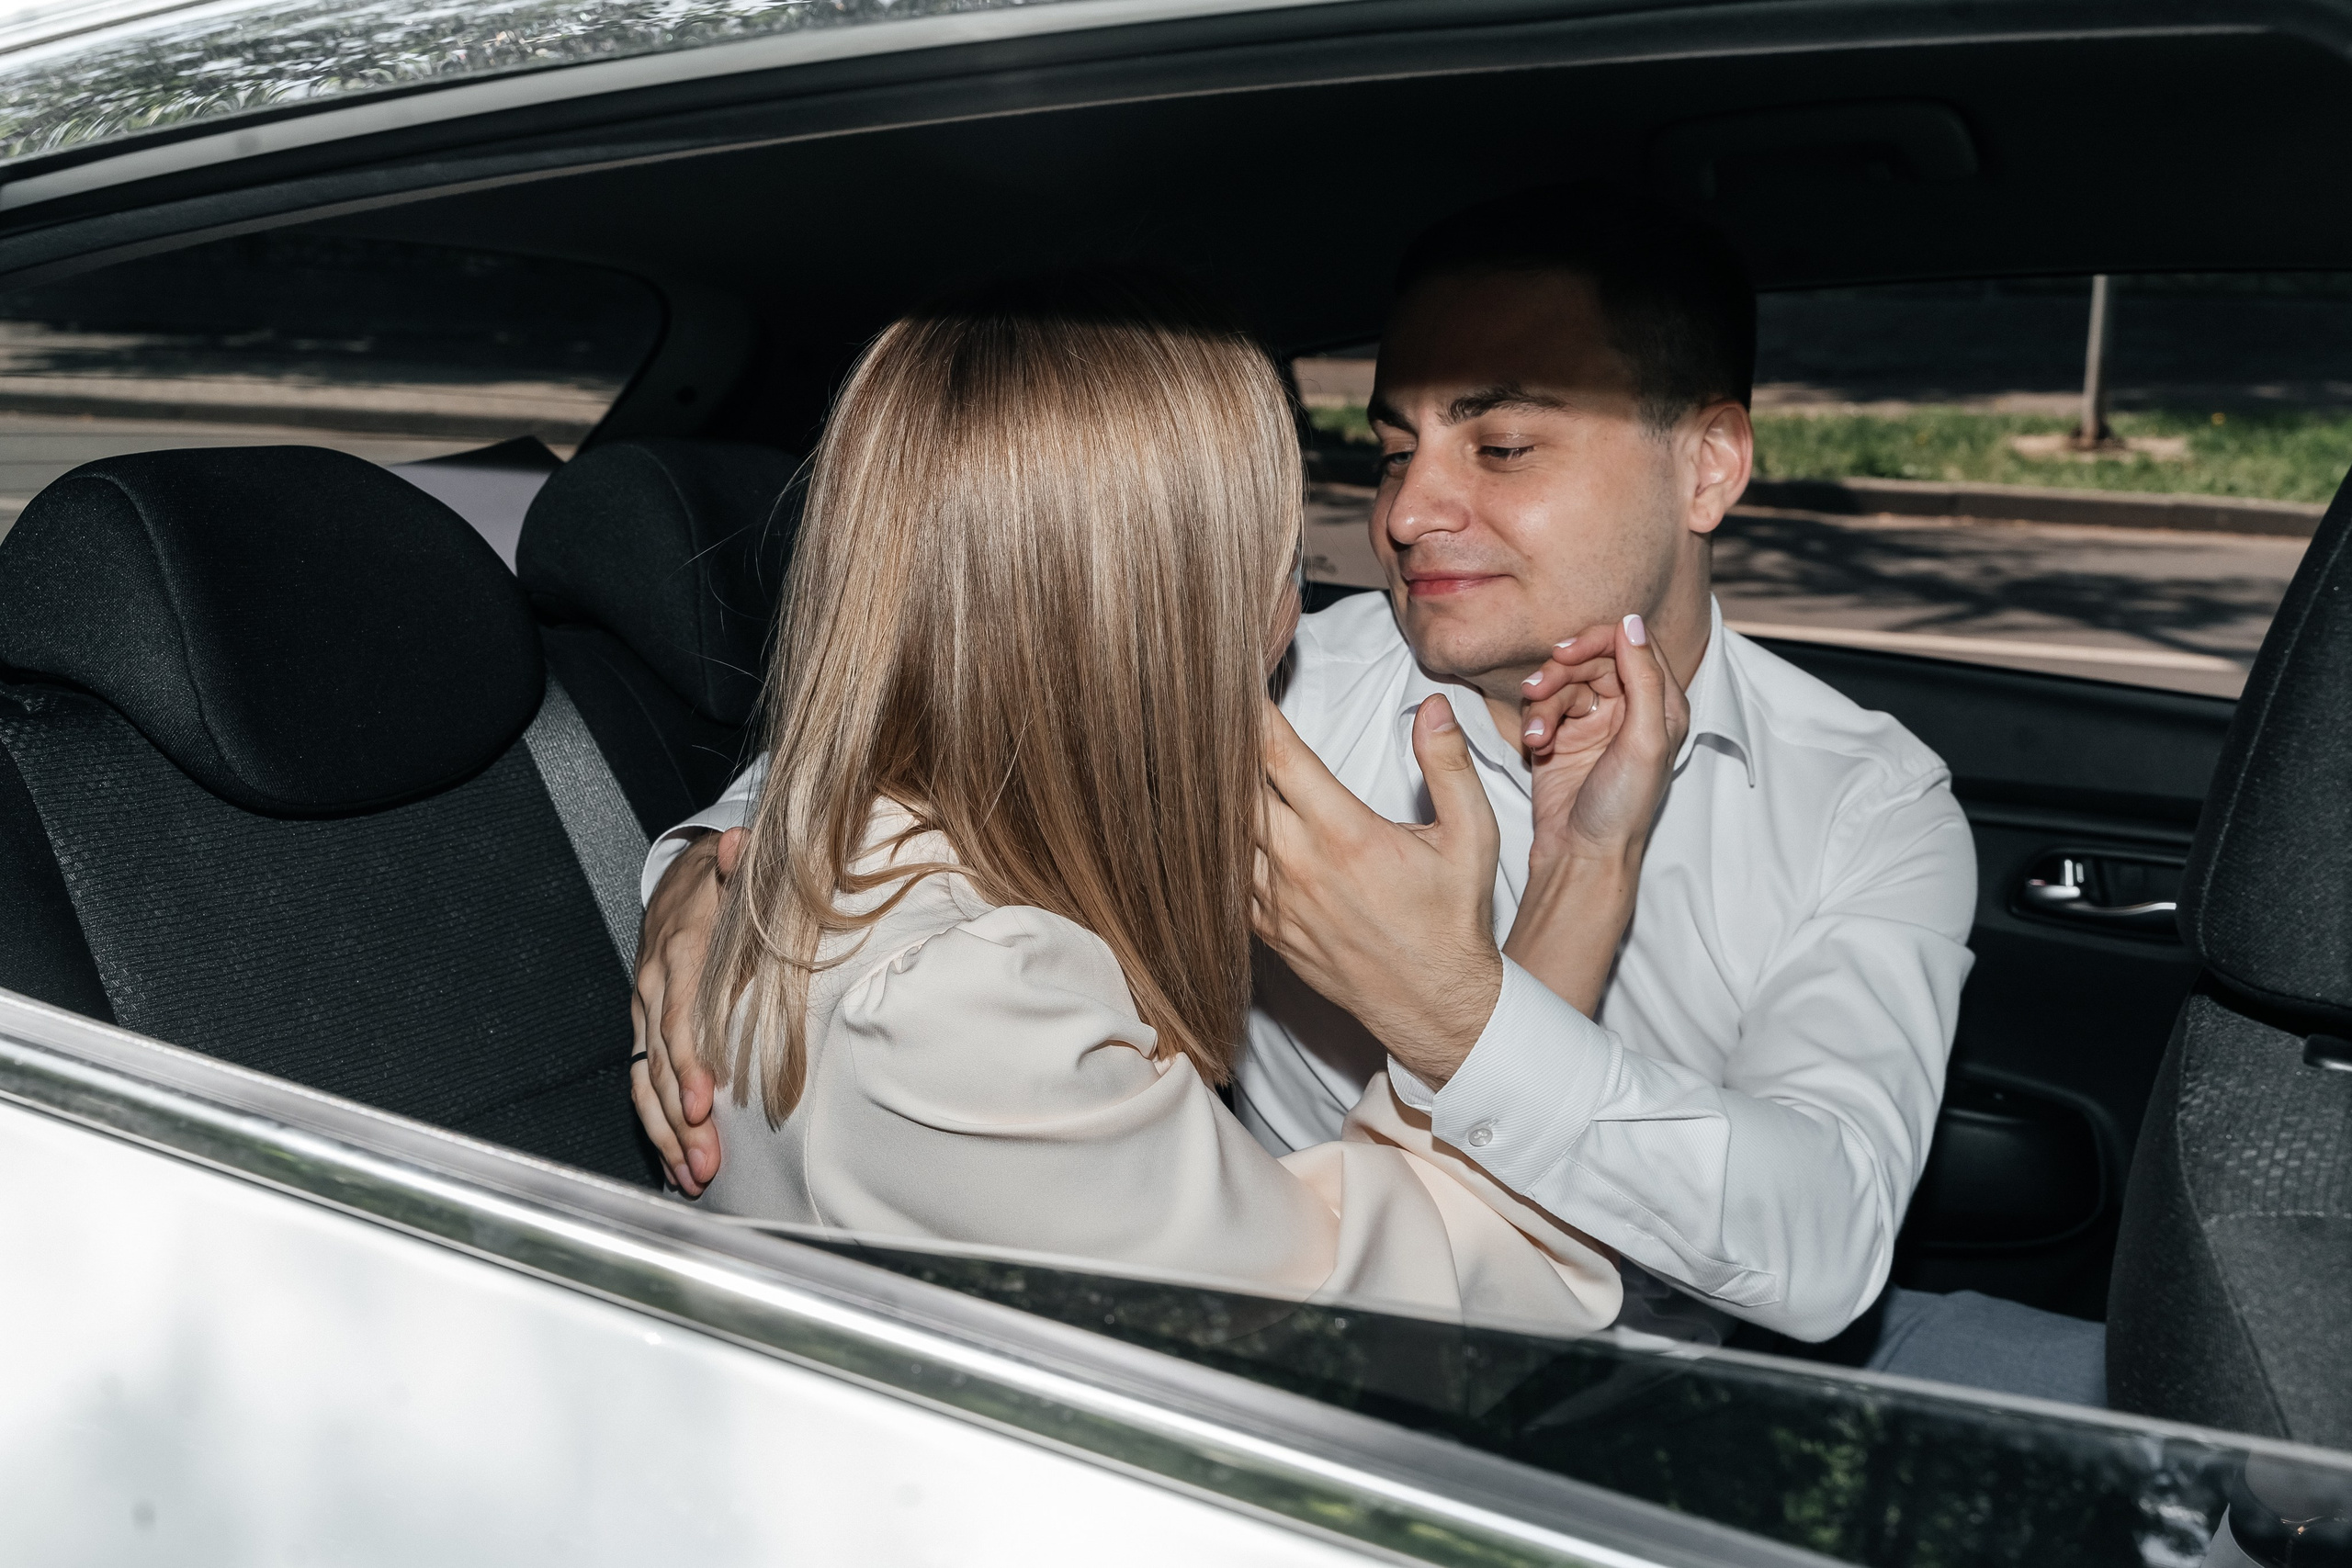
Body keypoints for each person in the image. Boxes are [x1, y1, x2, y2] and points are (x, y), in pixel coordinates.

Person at [635, 186, 2108, 1404]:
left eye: (1503, 443)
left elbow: (1826, 1239)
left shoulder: (1864, 797)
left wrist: (1465, 1015)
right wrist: (710, 866)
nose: (1405, 513)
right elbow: (945, 729)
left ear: (1708, 461)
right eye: (1392, 448)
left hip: (1706, 1360)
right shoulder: (1251, 685)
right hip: (1307, 1352)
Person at [650, 266, 1667, 1336]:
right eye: (1282, 563)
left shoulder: (863, 865)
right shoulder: (960, 1015)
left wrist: (687, 861)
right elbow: (1403, 1331)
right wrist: (1568, 892)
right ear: (1159, 613)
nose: (1296, 614)